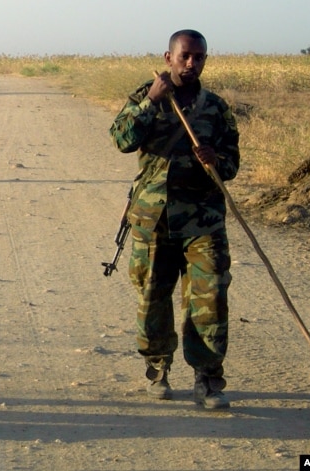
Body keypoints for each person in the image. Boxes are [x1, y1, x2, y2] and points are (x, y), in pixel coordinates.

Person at [109, 29, 239, 409]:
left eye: (199, 57)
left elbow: (231, 164)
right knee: (153, 296)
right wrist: (151, 100)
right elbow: (121, 139)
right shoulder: (144, 96)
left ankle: (208, 377)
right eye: (184, 56)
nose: (191, 63)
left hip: (203, 221)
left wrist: (217, 160)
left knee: (210, 297)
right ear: (168, 58)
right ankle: (158, 368)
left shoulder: (215, 108)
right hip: (154, 218)